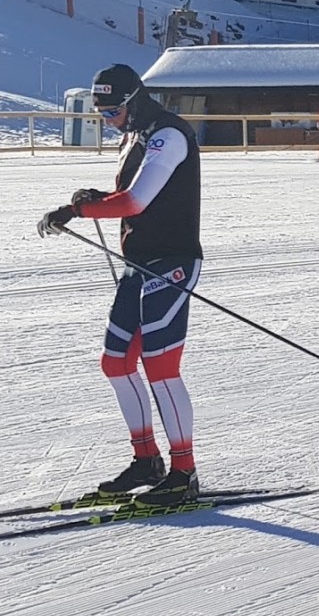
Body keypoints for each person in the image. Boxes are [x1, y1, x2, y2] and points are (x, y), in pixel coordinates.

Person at [36, 63, 204, 507]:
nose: (109, 121)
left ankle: (183, 472)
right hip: (138, 262)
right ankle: (147, 460)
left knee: (160, 366)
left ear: (134, 101)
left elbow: (135, 200)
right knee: (115, 363)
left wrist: (77, 212)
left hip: (172, 262)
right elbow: (129, 197)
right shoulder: (133, 135)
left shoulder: (168, 134)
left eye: (113, 112)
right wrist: (93, 199)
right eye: (102, 114)